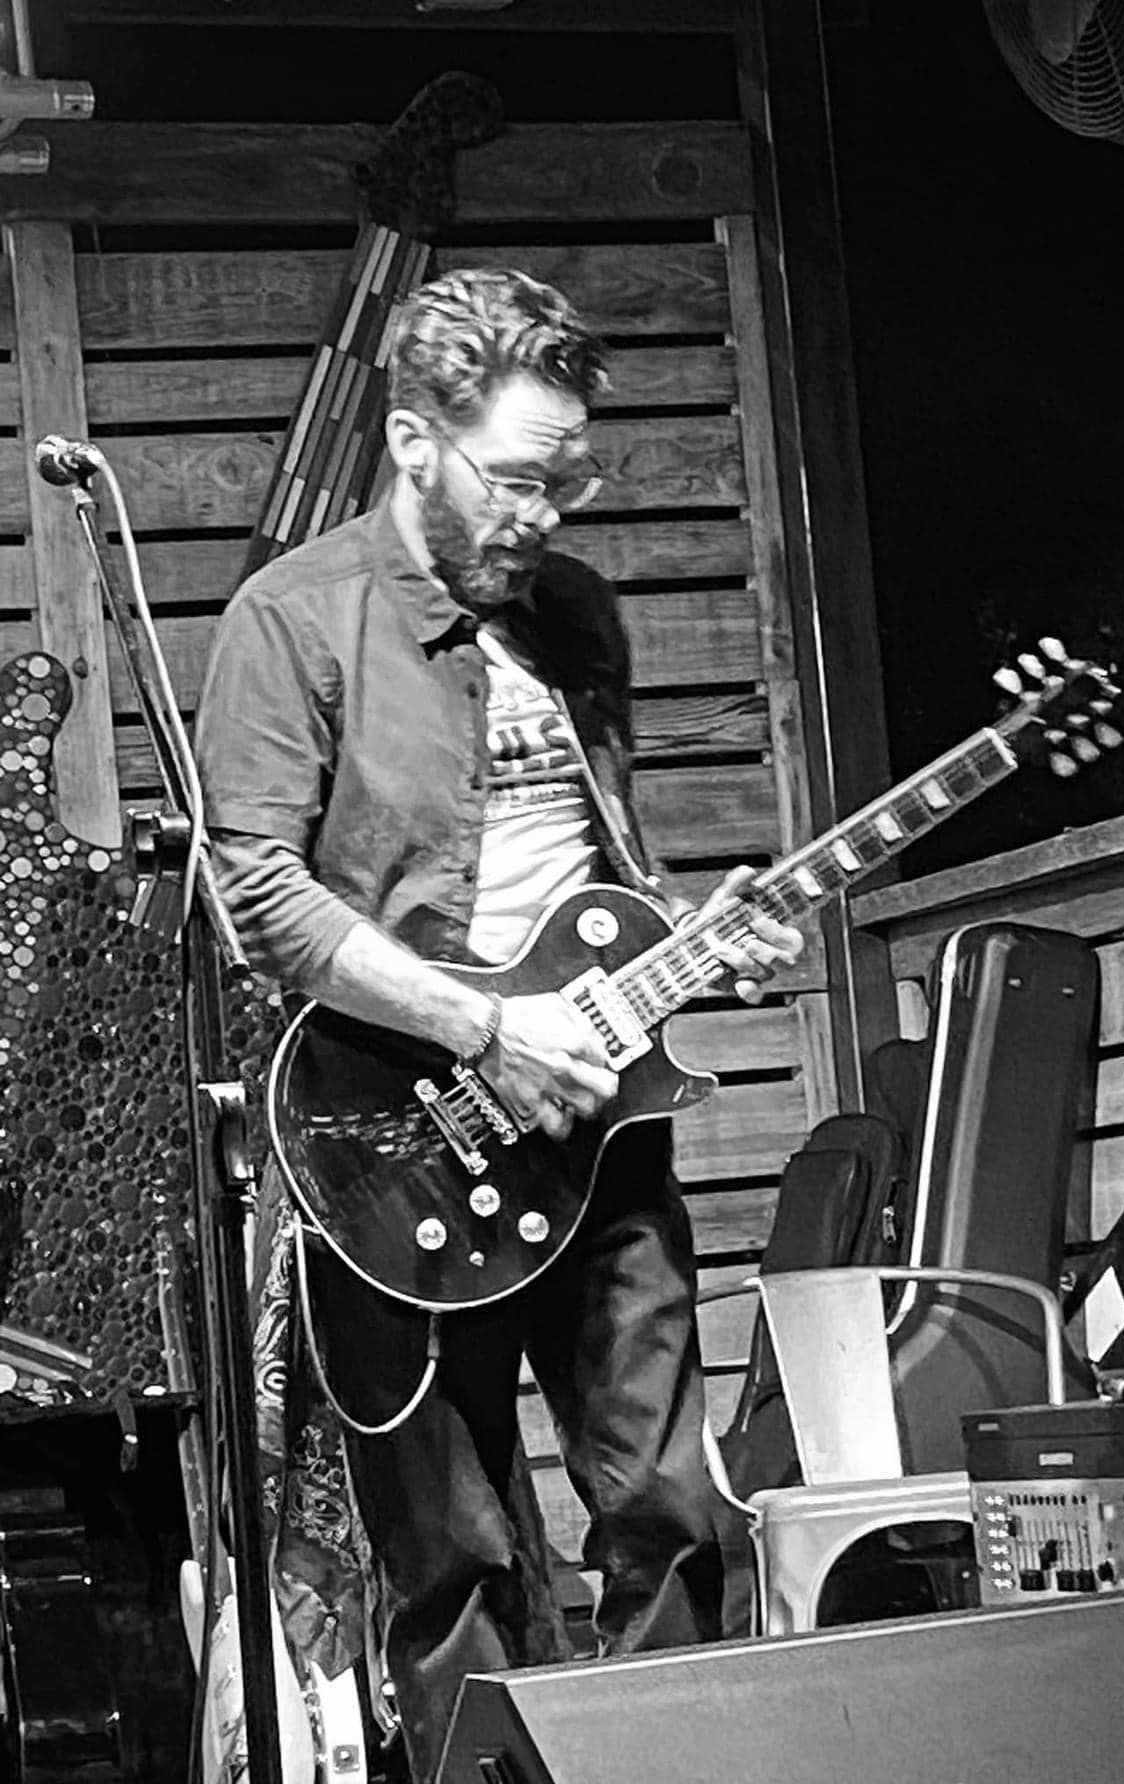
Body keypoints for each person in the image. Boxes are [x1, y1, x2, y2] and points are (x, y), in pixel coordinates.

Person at [194, 267, 802, 1780]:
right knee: (456, 1552)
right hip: (391, 1144)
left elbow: (599, 872)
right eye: (520, 476)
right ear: (413, 442)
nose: (547, 511)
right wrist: (482, 1030)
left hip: (597, 1128)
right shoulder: (296, 616)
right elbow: (257, 891)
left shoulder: (578, 617)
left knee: (668, 1502)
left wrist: (705, 944)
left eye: (567, 476)